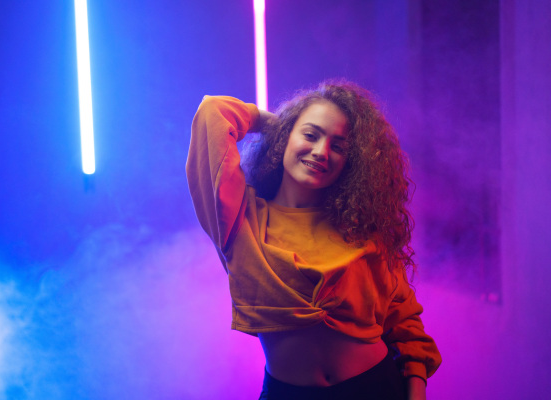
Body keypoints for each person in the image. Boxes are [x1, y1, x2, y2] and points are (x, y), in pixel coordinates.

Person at [186, 80, 441, 400]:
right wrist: (270, 123)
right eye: (310, 134)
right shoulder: (241, 219)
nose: (322, 152)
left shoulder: (360, 226)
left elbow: (404, 320)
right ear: (285, 137)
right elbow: (213, 112)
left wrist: (416, 394)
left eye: (339, 146)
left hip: (377, 387)